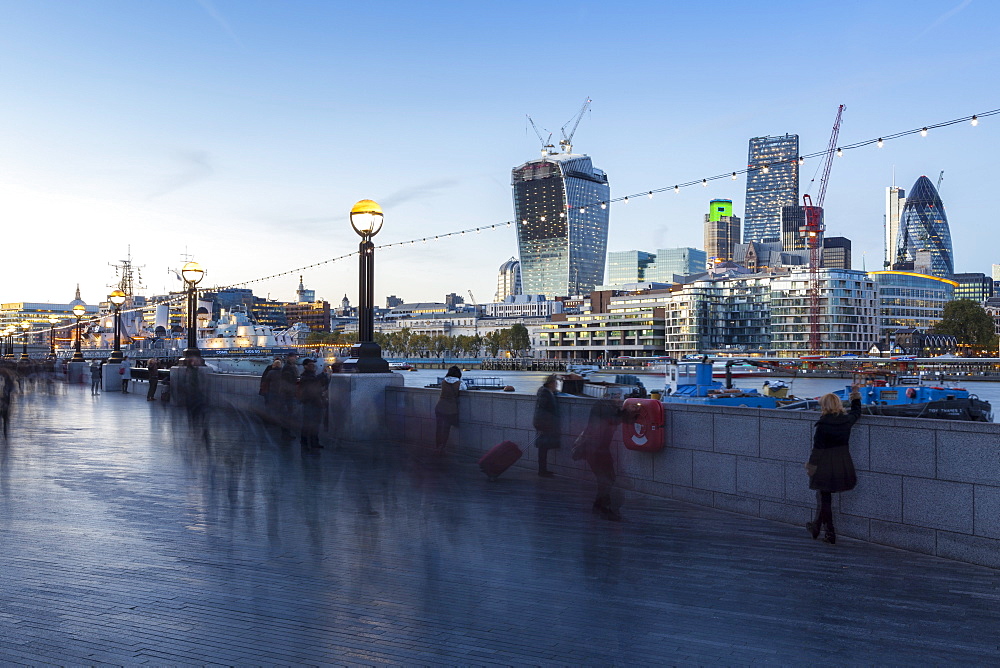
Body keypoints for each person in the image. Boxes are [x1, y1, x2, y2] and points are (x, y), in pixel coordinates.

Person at [806, 385, 862, 544]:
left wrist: (811, 466)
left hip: (825, 463)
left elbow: (817, 449)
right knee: (824, 497)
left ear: (824, 406)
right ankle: (817, 526)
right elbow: (856, 412)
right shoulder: (846, 421)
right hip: (842, 461)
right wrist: (855, 395)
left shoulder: (822, 425)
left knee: (824, 497)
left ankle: (829, 532)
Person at [577, 396, 638, 521]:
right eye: (617, 397)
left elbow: (620, 418)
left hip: (599, 449)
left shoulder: (604, 407)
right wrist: (628, 411)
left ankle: (598, 506)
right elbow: (615, 419)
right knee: (607, 479)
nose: (619, 400)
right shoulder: (603, 407)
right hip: (596, 449)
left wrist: (629, 412)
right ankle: (605, 509)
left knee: (605, 479)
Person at [533, 375, 561, 477]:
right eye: (555, 383)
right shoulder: (545, 393)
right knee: (543, 448)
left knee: (543, 448)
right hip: (544, 425)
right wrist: (540, 425)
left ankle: (543, 470)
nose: (556, 385)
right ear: (550, 383)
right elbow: (541, 410)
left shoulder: (545, 392)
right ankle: (542, 471)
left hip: (544, 424)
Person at [434, 366, 466, 454]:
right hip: (450, 409)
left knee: (439, 428)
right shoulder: (459, 383)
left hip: (440, 407)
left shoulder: (444, 382)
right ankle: (442, 447)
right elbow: (464, 388)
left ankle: (437, 446)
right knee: (446, 429)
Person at [297, 358, 327, 450]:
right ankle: (308, 442)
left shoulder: (309, 375)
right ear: (305, 366)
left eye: (313, 365)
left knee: (313, 423)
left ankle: (310, 442)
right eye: (310, 365)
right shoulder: (306, 376)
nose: (313, 366)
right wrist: (323, 375)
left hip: (313, 401)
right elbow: (312, 382)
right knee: (309, 423)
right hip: (310, 402)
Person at [277, 352, 300, 439]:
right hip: (288, 393)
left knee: (287, 414)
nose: (295, 358)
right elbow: (288, 380)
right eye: (294, 357)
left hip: (287, 392)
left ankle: (286, 433)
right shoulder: (288, 368)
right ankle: (286, 433)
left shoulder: (288, 367)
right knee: (287, 414)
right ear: (290, 358)